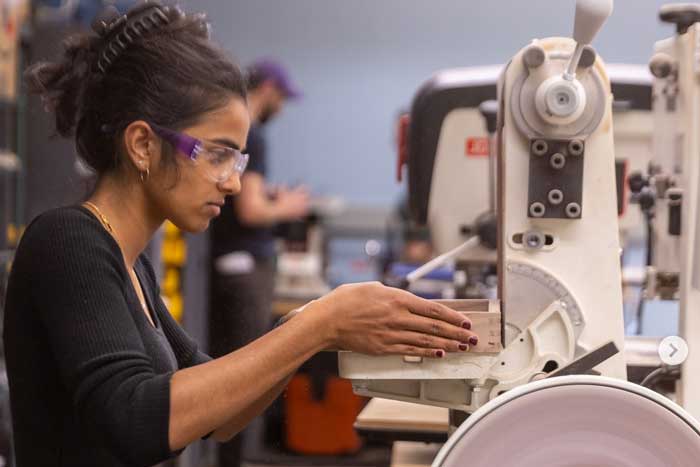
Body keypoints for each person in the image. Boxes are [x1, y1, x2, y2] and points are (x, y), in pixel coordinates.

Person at [2, 2, 479, 466]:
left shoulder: (133, 264)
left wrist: (314, 328)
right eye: (218, 155)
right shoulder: (66, 243)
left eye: (238, 160)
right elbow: (135, 422)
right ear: (143, 144)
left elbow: (219, 418)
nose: (232, 181)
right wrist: (319, 324)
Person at [208, 58, 309, 466]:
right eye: (281, 98)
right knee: (250, 376)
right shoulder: (253, 133)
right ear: (268, 89)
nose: (281, 107)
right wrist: (287, 207)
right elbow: (250, 209)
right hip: (246, 268)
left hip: (227, 265)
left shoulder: (226, 129)